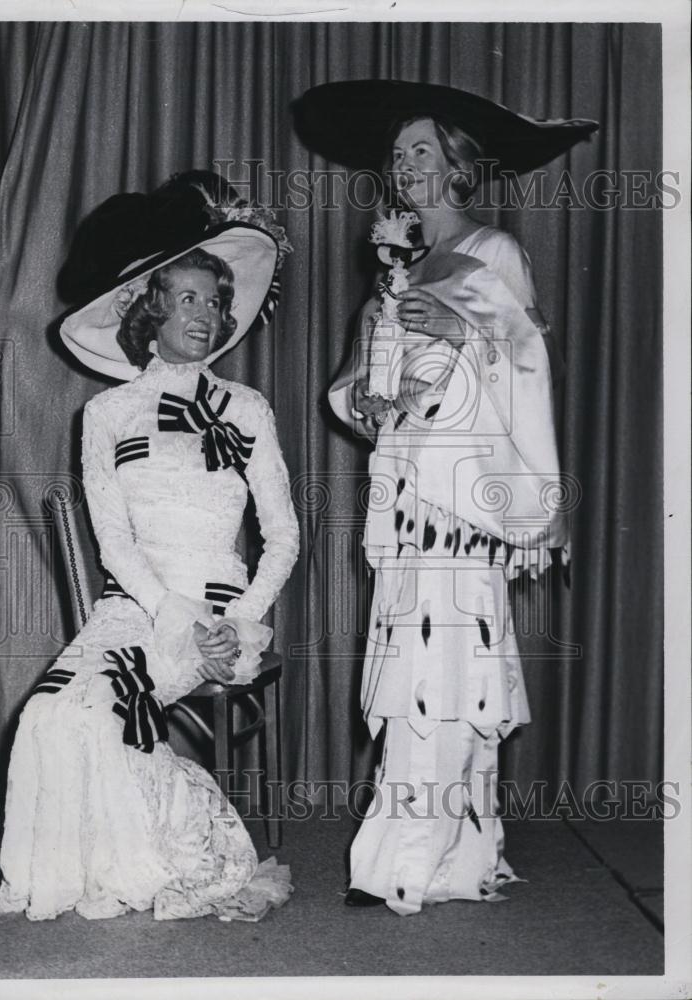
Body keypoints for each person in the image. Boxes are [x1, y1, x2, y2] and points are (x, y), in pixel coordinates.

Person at [293, 80, 594, 915]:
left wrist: (461, 330)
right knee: (405, 669)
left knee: (451, 667)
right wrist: (370, 395)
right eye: (397, 154)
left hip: (462, 495)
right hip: (402, 491)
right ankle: (422, 849)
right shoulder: (393, 267)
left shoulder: (492, 253)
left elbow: (528, 356)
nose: (405, 164)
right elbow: (355, 389)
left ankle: (423, 858)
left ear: (458, 166)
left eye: (421, 149)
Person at [0, 175, 299, 922]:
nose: (207, 314)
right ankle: (105, 865)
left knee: (101, 719)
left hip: (224, 612)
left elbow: (284, 536)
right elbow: (115, 541)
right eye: (188, 298)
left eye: (215, 300)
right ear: (149, 311)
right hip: (139, 610)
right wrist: (171, 615)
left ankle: (179, 856)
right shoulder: (106, 413)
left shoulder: (247, 410)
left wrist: (238, 620)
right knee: (50, 715)